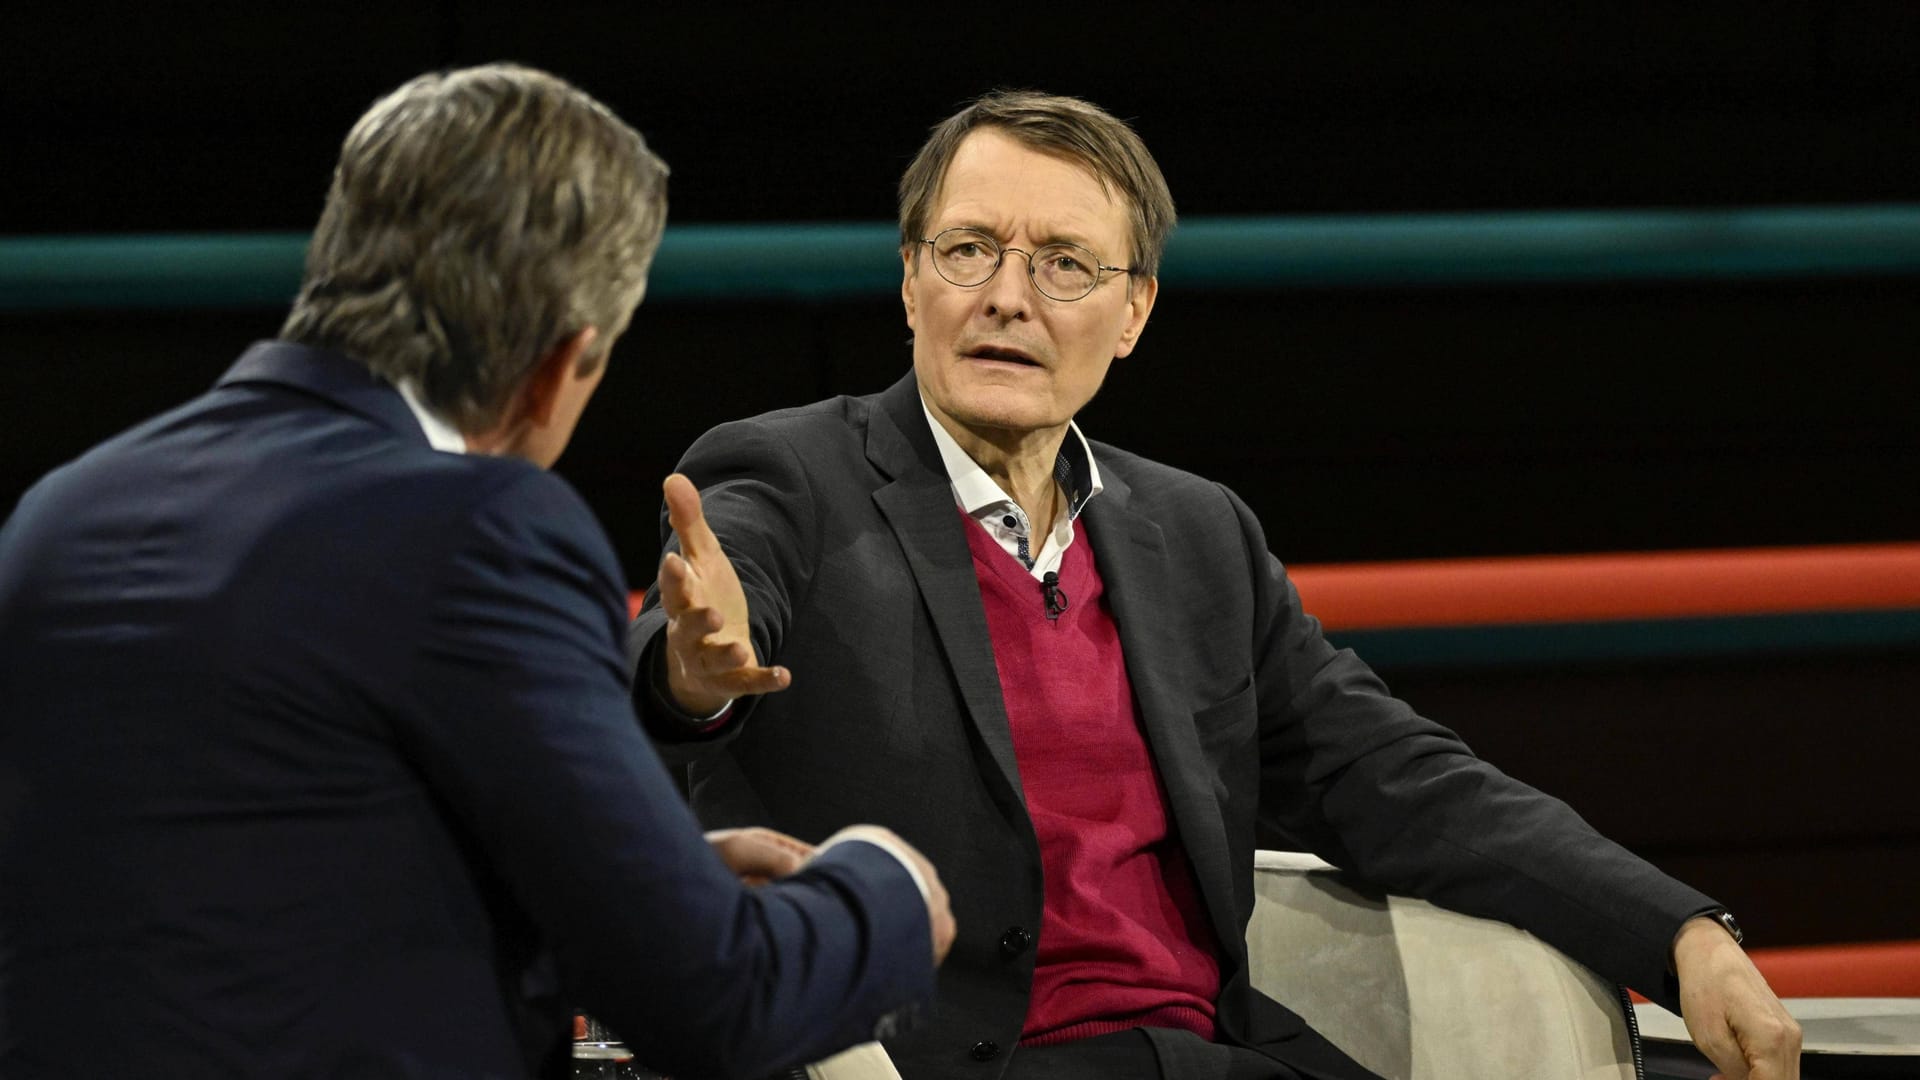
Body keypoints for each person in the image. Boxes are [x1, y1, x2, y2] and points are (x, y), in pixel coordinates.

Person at [627, 90, 1801, 1079]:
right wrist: (692, 677)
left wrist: (1680, 933)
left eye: (1064, 265)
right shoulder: (792, 473)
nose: (1007, 297)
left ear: (1133, 312)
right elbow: (682, 662)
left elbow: (1396, 777)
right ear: (909, 282)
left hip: (1207, 1053)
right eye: (968, 250)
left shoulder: (1196, 535)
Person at [0, 64, 954, 1080]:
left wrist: (637, 894)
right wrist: (885, 887)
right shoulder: (479, 527)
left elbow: (233, 909)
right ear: (562, 364)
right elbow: (718, 1000)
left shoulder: (60, 511)